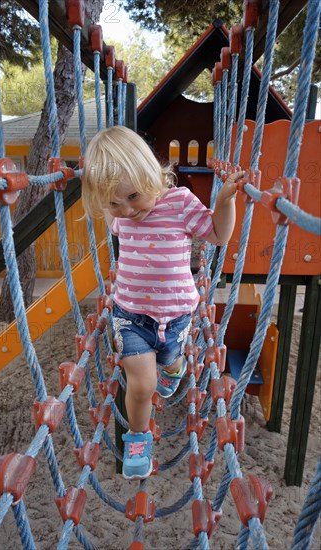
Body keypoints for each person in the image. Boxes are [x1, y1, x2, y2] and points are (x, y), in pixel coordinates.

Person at [82, 126, 244, 480]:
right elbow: (115, 216)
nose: (126, 211)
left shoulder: (180, 202)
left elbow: (218, 234)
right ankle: (138, 440)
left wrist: (225, 202)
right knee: (142, 385)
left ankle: (172, 368)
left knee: (169, 364)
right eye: (113, 203)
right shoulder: (119, 215)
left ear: (151, 177)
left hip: (176, 317)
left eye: (134, 197)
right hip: (129, 315)